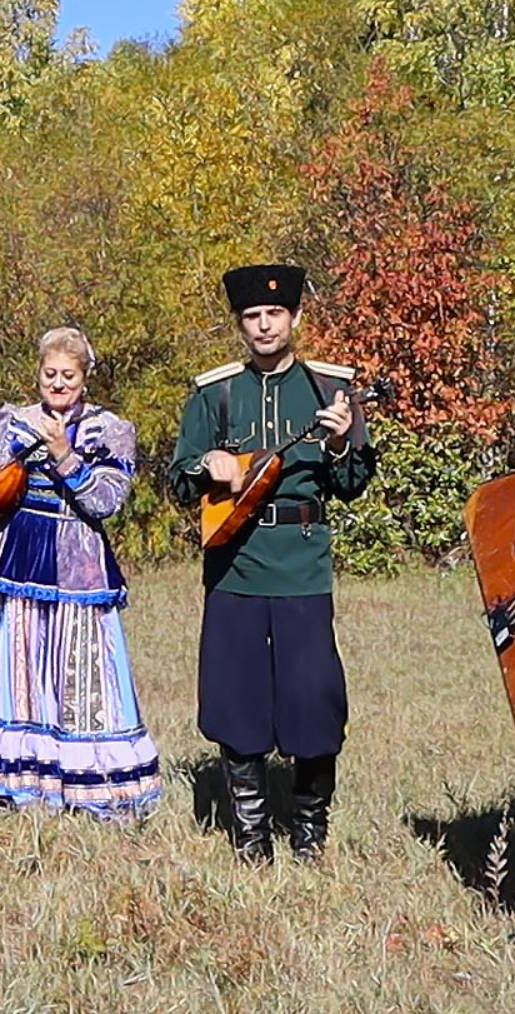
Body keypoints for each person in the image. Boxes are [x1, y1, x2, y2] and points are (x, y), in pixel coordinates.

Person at [164, 264, 375, 862]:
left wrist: (337, 444)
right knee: (236, 697)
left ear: (296, 318)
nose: (264, 325)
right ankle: (251, 837)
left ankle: (309, 833)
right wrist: (209, 465)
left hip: (303, 565)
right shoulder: (215, 394)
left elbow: (355, 480)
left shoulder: (332, 390)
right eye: (253, 316)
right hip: (235, 564)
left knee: (314, 698)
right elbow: (177, 480)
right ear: (240, 324)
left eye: (275, 315)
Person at [0, 326, 162, 819]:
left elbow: (106, 501)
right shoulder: (11, 420)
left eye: (69, 375)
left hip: (77, 568)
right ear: (38, 374)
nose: (58, 383)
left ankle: (94, 788)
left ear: (84, 379)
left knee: (81, 675)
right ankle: (9, 784)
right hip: (13, 559)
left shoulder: (110, 429)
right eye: (50, 374)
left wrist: (66, 456)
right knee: (14, 670)